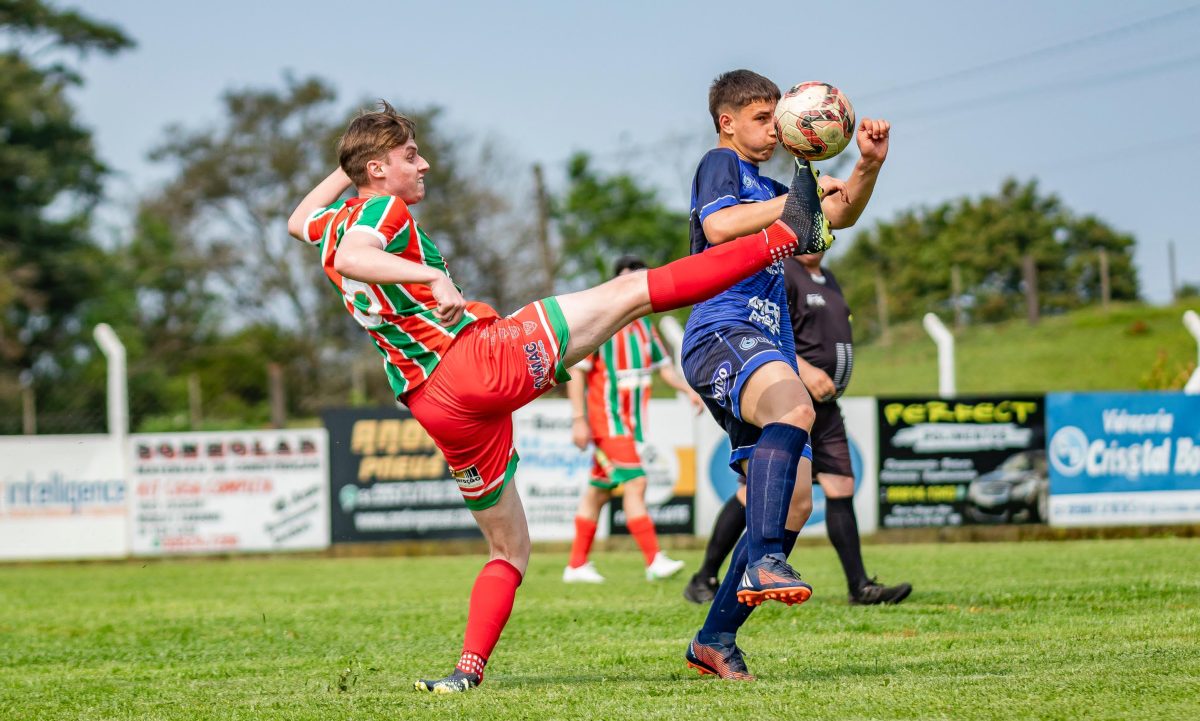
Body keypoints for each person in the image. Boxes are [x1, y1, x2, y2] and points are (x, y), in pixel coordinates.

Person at [286, 102, 828, 694]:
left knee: (508, 550)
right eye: (409, 156)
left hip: (437, 407)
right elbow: (354, 258)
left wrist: (352, 162)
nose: (425, 164)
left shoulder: (328, 222)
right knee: (632, 292)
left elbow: (299, 220)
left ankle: (466, 672)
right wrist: (429, 277)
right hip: (476, 363)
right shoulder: (381, 209)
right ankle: (784, 233)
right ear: (377, 170)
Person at [679, 70, 890, 680]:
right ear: (728, 122)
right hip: (724, 328)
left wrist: (867, 166)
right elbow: (718, 228)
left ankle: (715, 639)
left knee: (797, 498)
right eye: (763, 117)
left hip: (760, 338)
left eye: (779, 117)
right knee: (796, 409)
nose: (775, 128)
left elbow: (838, 216)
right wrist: (797, 201)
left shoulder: (774, 185)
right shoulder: (720, 166)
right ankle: (765, 559)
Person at [683, 249, 912, 606]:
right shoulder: (784, 273)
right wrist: (803, 370)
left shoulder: (829, 278)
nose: (817, 237)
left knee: (841, 485)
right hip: (786, 399)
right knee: (752, 494)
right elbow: (770, 329)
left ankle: (859, 586)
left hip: (827, 408)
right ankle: (705, 577)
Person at [563, 254, 703, 584]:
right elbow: (576, 371)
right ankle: (654, 560)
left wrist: (688, 390)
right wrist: (578, 419)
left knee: (598, 492)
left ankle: (576, 565)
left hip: (630, 424)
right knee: (637, 482)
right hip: (606, 419)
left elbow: (663, 369)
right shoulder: (599, 323)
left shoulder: (644, 328)